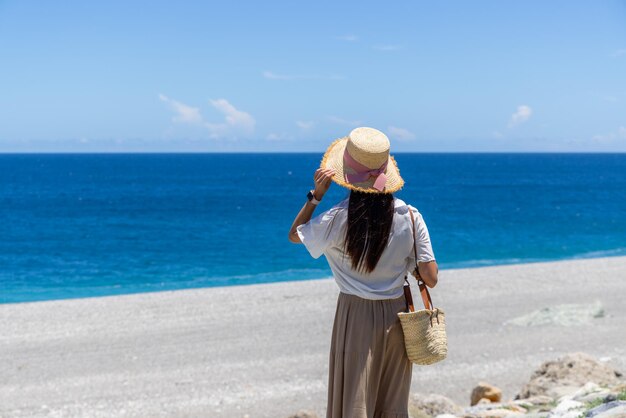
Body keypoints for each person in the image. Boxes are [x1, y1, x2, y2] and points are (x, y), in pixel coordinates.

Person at [288, 127, 439, 418]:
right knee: (392, 402)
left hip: (354, 315)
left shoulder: (337, 219)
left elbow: (296, 235)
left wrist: (316, 196)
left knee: (355, 401)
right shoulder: (410, 216)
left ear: (345, 177)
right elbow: (431, 277)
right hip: (398, 316)